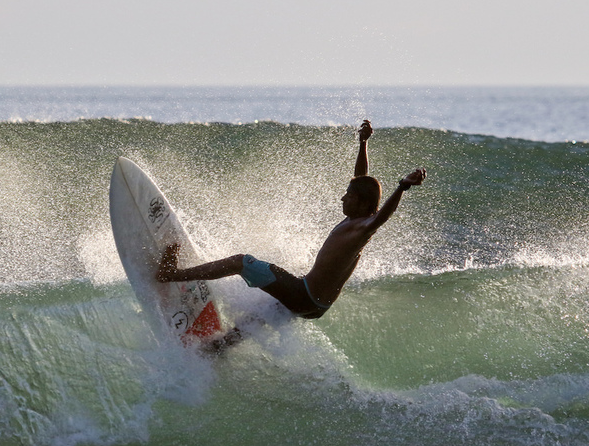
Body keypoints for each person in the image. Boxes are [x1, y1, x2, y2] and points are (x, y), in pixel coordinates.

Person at [156, 119, 426, 320]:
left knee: (240, 262)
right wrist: (363, 143)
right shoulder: (360, 216)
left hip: (304, 295)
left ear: (363, 203)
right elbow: (361, 181)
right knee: (270, 306)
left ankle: (172, 274)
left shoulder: (364, 227)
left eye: (348, 196)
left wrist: (402, 187)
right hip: (316, 306)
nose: (342, 199)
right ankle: (223, 346)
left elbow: (382, 217)